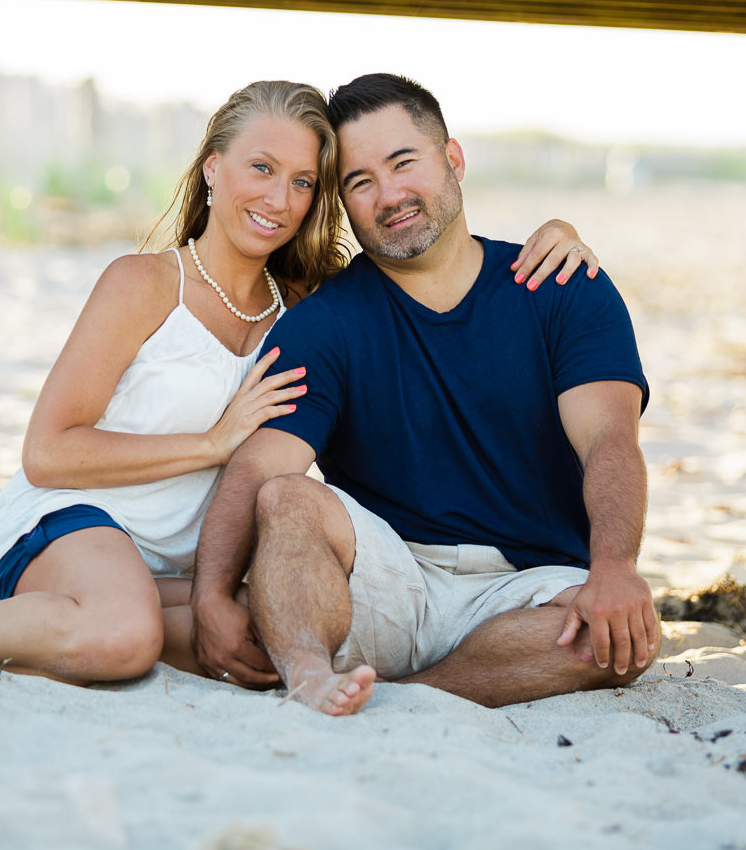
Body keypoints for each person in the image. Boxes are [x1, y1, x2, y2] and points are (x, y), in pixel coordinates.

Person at [0, 80, 599, 687]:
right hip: (79, 523)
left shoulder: (311, 306)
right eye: (260, 168)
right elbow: (48, 453)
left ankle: (89, 623)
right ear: (212, 169)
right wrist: (211, 442)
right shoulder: (144, 283)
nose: (278, 198)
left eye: (304, 182)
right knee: (123, 639)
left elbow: (428, 265)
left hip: (186, 562)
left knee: (260, 646)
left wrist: (554, 235)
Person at [188, 73, 657, 714]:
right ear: (343, 204)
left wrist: (615, 569)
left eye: (403, 163)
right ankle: (307, 675)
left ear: (453, 160)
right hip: (389, 578)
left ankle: (408, 695)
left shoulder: (563, 286)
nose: (389, 195)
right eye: (360, 182)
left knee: (613, 641)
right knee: (288, 498)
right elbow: (259, 468)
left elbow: (609, 440)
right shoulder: (329, 321)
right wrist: (211, 596)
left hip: (528, 588)